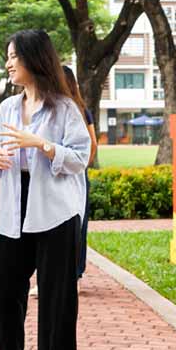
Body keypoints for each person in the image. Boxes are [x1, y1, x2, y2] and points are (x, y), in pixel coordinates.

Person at [0, 29, 91, 350]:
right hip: (14, 211)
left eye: (14, 56)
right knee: (0, 288)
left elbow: (81, 157)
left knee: (58, 299)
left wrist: (42, 145)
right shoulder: (8, 108)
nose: (9, 63)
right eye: (7, 56)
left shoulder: (64, 109)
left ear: (34, 59)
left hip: (55, 212)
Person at [61, 66, 97, 281]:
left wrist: (81, 166)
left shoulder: (81, 110)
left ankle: (76, 274)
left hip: (76, 175)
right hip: (59, 174)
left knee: (78, 226)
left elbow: (92, 144)